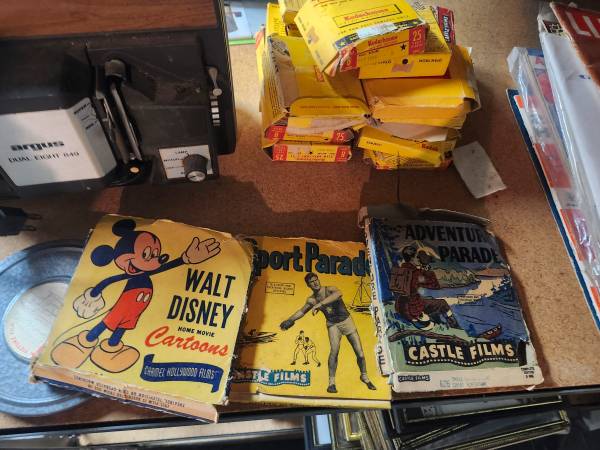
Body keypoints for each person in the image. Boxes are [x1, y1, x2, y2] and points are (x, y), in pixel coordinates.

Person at [280, 273, 376, 393]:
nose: (315, 283)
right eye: (312, 282)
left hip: (346, 321)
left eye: (316, 280)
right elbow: (301, 311)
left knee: (360, 353)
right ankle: (331, 383)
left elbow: (338, 293)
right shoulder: (311, 300)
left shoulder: (330, 289)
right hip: (332, 325)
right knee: (334, 352)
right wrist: (290, 320)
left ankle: (364, 376)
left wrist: (319, 305)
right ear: (308, 285)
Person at [393, 245, 460, 330]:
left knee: (427, 300)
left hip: (400, 306)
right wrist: (426, 271)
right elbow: (435, 285)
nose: (419, 259)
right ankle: (453, 324)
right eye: (417, 257)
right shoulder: (416, 273)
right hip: (413, 308)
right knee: (442, 303)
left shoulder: (399, 271)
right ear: (412, 259)